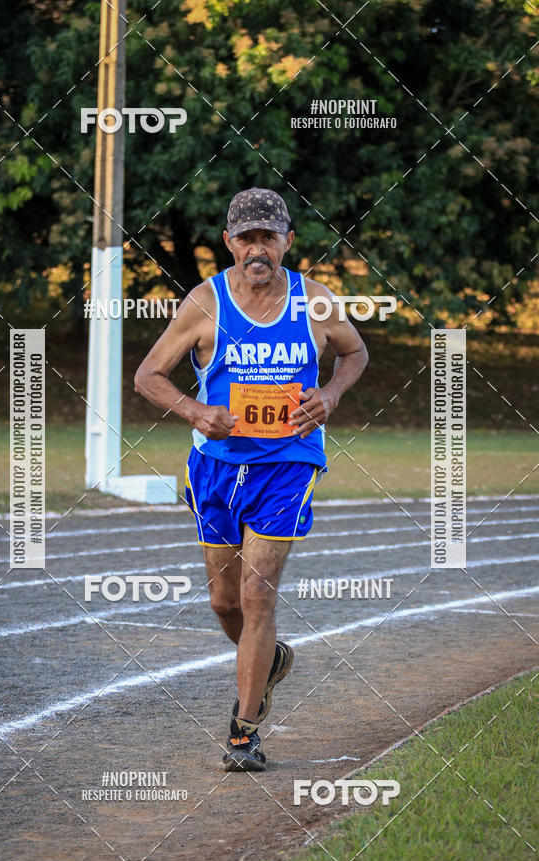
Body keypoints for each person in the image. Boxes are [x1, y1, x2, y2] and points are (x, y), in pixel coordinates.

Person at [134, 187, 368, 771]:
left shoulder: (315, 302)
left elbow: (354, 352)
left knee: (258, 595)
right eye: (247, 237)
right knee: (224, 601)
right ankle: (269, 663)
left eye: (269, 236)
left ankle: (244, 731)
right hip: (215, 469)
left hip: (286, 467)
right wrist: (194, 411)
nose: (257, 248)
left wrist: (332, 395)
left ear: (288, 240)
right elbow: (147, 375)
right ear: (229, 244)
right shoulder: (203, 304)